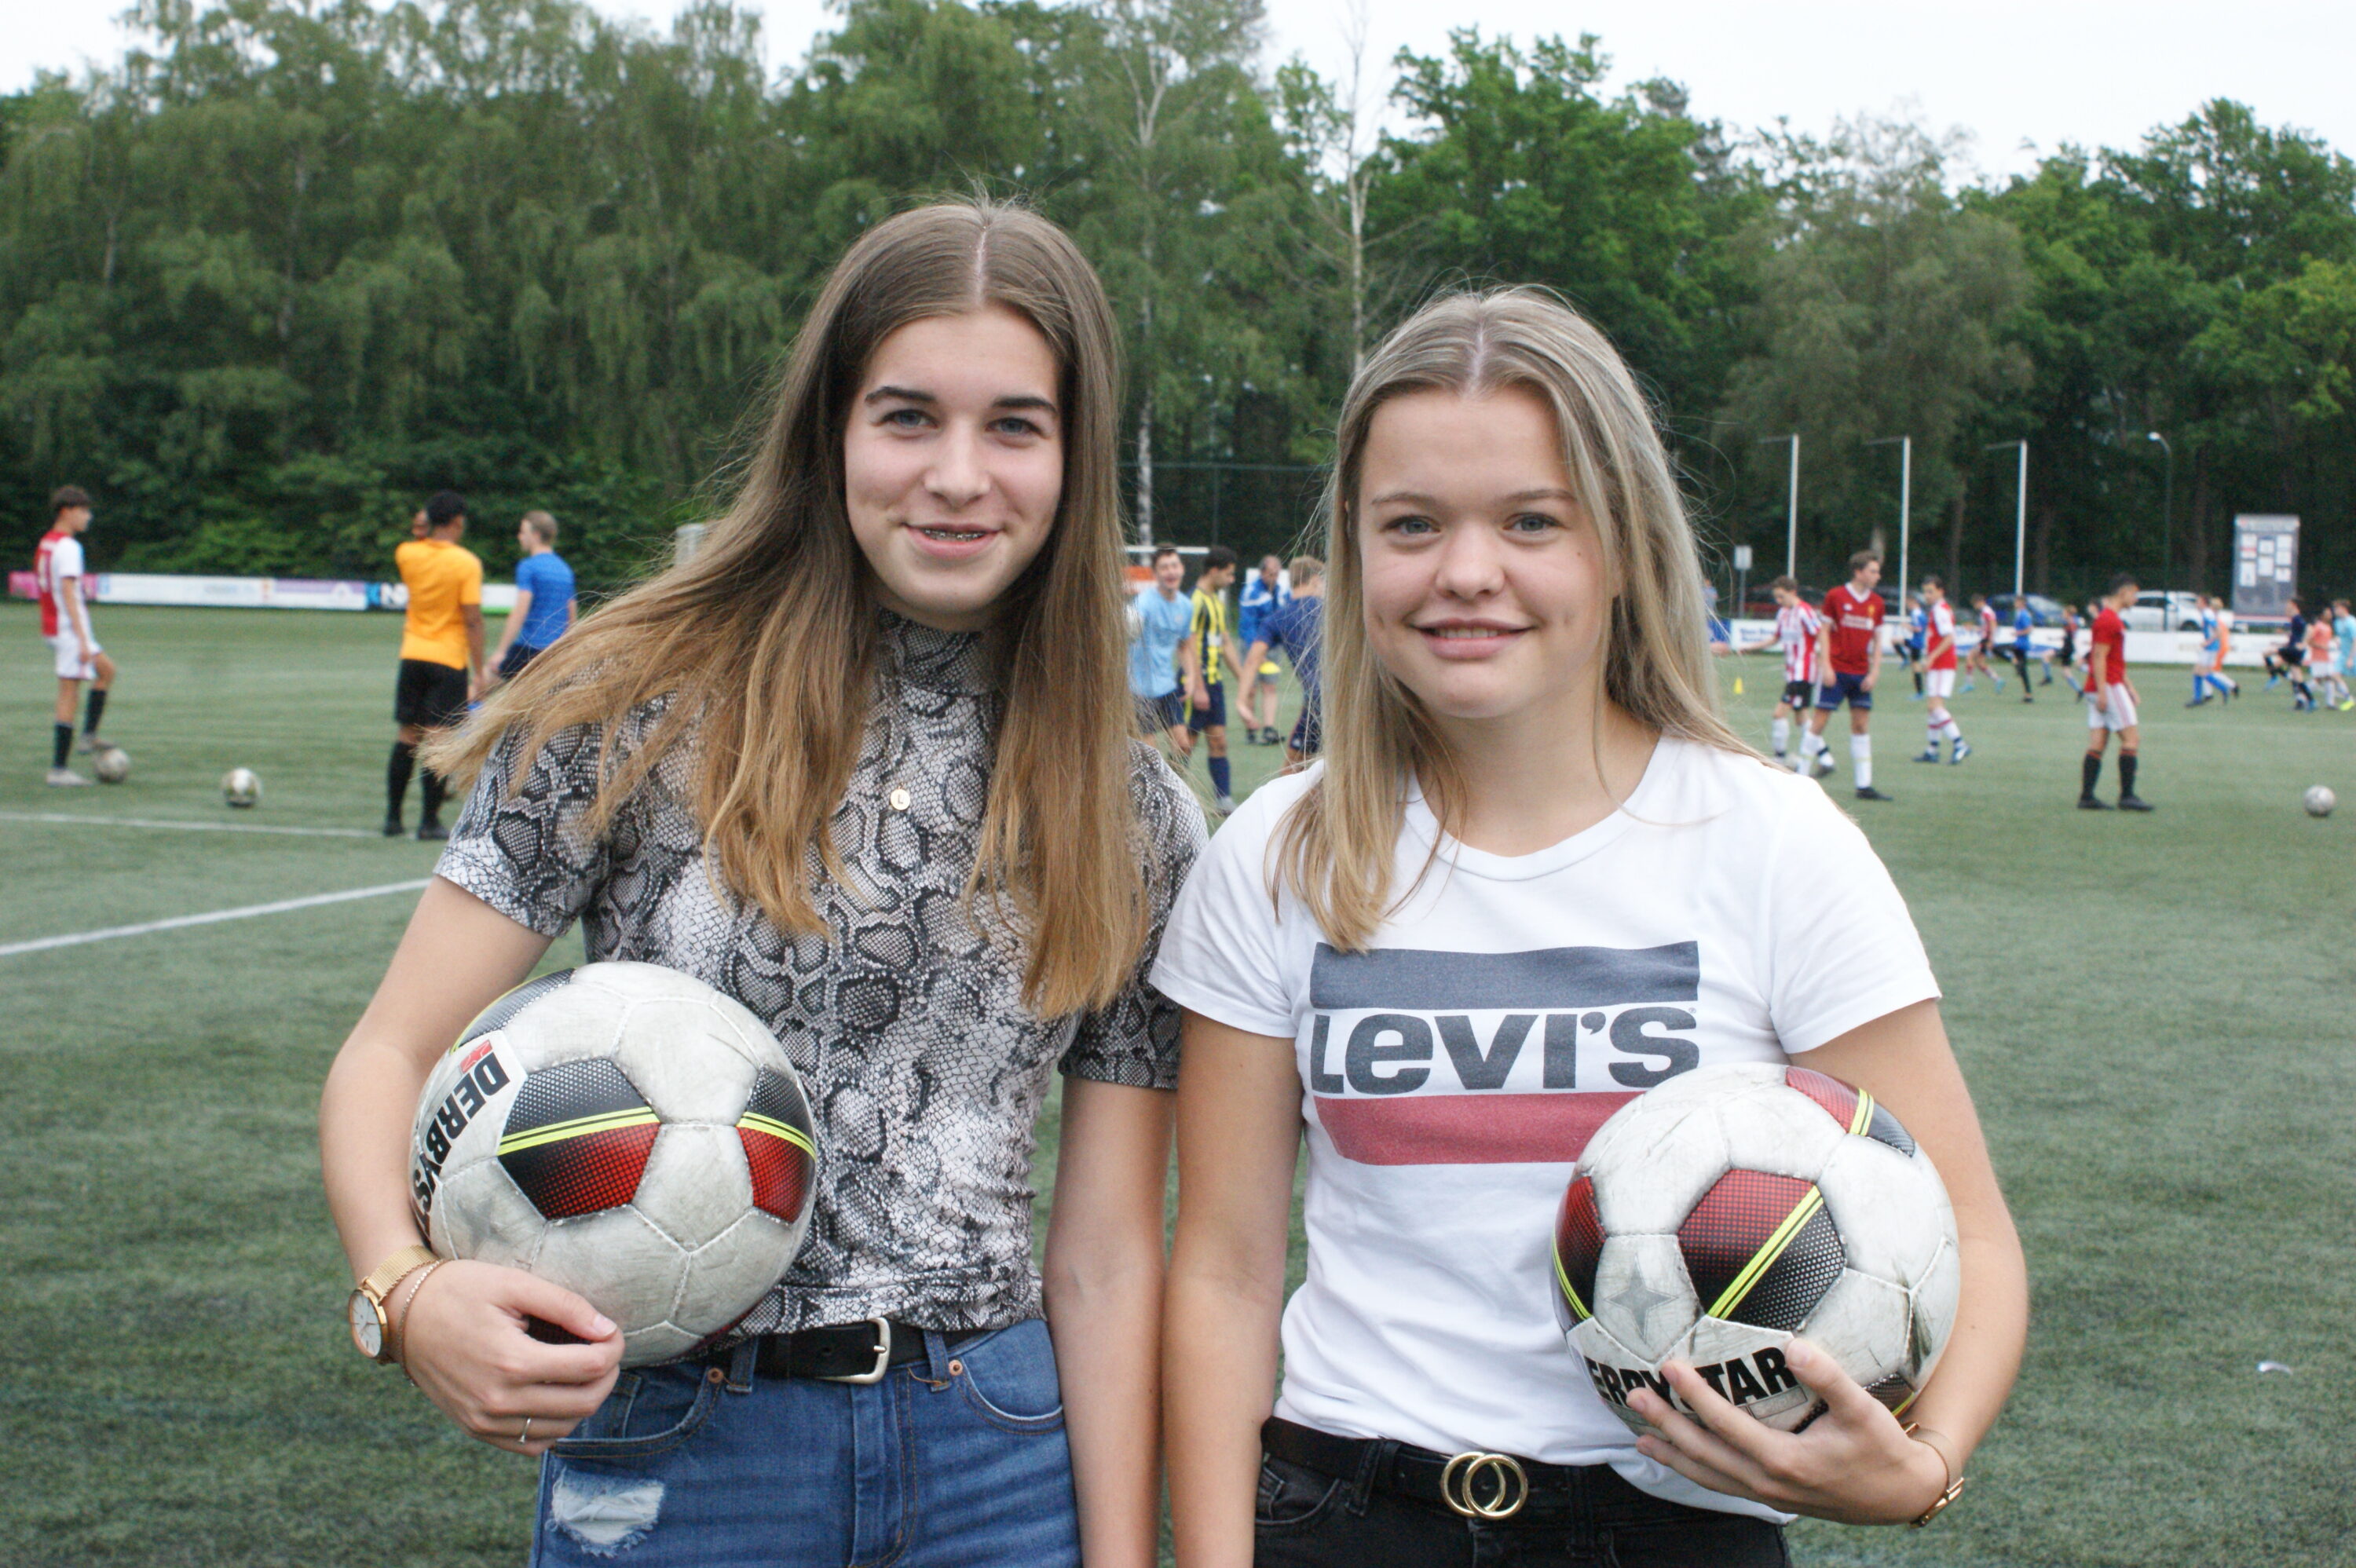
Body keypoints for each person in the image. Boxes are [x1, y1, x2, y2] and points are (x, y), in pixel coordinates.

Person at [320, 202, 1201, 1568]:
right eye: (907, 416)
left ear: (1077, 459)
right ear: (830, 431)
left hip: (1002, 1454)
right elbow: (392, 1048)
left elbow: (1104, 1253)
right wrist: (404, 1286)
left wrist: (1120, 1551)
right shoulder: (633, 708)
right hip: (677, 1443)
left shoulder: (1134, 810)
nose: (959, 474)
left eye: (1016, 425)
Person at [1156, 287, 2026, 1568]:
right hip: (1341, 1513)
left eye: (1530, 521)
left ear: (1619, 543)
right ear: (1354, 551)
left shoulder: (1774, 842)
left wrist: (1925, 1463)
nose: (1466, 570)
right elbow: (1223, 1270)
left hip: (1674, 1524)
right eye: (1412, 524)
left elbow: (1978, 1231)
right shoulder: (1277, 851)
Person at [386, 491, 485, 840]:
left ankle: (393, 818)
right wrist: (480, 668)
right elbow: (472, 619)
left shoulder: (406, 554)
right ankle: (428, 820)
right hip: (448, 657)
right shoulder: (466, 563)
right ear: (457, 521)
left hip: (412, 653)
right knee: (438, 741)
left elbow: (416, 538)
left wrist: (422, 525)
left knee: (406, 736)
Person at [33, 485, 118, 785]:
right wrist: (82, 640)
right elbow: (69, 594)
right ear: (67, 511)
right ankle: (58, 769)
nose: (88, 517)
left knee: (106, 670)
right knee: (69, 693)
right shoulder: (69, 547)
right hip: (69, 630)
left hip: (57, 626)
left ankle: (89, 737)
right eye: (84, 511)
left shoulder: (48, 542)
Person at [1796, 550, 1892, 801]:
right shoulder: (1836, 596)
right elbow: (1824, 632)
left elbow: (1878, 639)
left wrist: (1875, 671)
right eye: (1873, 571)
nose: (1877, 576)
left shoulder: (1878, 604)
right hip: (1837, 670)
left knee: (1861, 725)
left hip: (1861, 673)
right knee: (1819, 721)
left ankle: (1864, 785)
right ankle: (1800, 779)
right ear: (1858, 572)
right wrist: (1826, 665)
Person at [1176, 544, 1243, 811]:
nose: (1231, 580)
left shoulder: (1216, 600)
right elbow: (1189, 644)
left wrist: (1243, 679)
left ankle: (1223, 800)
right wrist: (1199, 687)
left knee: (1219, 741)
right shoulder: (1195, 599)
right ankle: (1167, 794)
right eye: (1228, 574)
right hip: (1194, 684)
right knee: (1186, 745)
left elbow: (1225, 641)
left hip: (1214, 684)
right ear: (1214, 571)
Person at [1244, 556, 1326, 766]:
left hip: (1319, 703)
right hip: (1342, 700)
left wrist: (1240, 701)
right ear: (1316, 580)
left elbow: (1253, 659)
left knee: (1292, 771)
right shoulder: (1334, 610)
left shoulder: (1278, 618)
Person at [2080, 573, 2151, 811]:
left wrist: (2130, 687)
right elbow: (2099, 657)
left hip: (2100, 685)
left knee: (2098, 742)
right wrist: (2104, 692)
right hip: (2107, 686)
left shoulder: (2108, 619)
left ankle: (2087, 796)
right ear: (2123, 592)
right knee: (2132, 739)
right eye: (2134, 593)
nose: (2135, 598)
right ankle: (2127, 796)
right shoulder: (2109, 620)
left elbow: (2111, 659)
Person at [487, 510, 576, 683]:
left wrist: (501, 652)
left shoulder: (529, 567)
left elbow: (521, 610)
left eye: (522, 532)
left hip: (528, 648)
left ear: (535, 535)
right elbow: (571, 615)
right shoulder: (565, 570)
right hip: (554, 653)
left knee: (481, 684)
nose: (520, 537)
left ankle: (470, 710)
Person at [1129, 544, 1194, 749]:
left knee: (1183, 745)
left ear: (1181, 569)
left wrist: (1191, 676)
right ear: (1156, 574)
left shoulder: (1185, 606)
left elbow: (1183, 645)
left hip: (1167, 686)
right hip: (1139, 690)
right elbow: (1129, 626)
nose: (1170, 572)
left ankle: (1171, 782)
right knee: (1150, 752)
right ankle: (1150, 781)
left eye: (1174, 566)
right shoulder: (1144, 603)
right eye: (1164, 567)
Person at [1914, 577, 1970, 766]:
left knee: (1935, 707)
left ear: (1941, 591)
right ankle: (1932, 750)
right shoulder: (1937, 610)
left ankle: (1960, 743)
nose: (1927, 595)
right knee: (1932, 708)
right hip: (1939, 664)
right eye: (1925, 591)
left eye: (1931, 591)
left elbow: (1949, 638)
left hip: (1943, 664)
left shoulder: (1940, 610)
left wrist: (1931, 658)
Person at [1765, 576, 1821, 762]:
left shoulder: (1805, 612)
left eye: (1781, 597)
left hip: (1803, 672)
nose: (1778, 601)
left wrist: (1826, 661)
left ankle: (1779, 759)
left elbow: (1820, 634)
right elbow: (1775, 638)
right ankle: (1826, 758)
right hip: (1792, 673)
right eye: (1776, 597)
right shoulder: (1783, 613)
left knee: (1779, 713)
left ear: (1792, 592)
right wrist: (1745, 648)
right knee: (1802, 718)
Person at [1235, 554, 1290, 745]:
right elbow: (1247, 625)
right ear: (1262, 573)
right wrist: (1256, 652)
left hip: (1273, 647)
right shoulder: (1251, 592)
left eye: (1277, 573)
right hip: (1252, 645)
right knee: (1250, 688)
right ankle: (1251, 729)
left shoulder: (1283, 592)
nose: (1274, 577)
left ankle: (1268, 729)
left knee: (1270, 686)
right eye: (1271, 573)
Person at [2306, 612, 2347, 710]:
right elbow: (2309, 641)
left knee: (2329, 678)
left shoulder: (2328, 627)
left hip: (2326, 657)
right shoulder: (2318, 626)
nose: (2330, 615)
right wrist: (2321, 646)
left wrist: (2335, 641)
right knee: (2318, 680)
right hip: (2318, 657)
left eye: (2330, 614)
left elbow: (2327, 640)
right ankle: (2301, 695)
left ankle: (2330, 703)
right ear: (2322, 615)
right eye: (2327, 614)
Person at [2005, 597, 2043, 700]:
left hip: (2022, 643)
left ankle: (2016, 664)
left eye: (2016, 602)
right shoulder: (2021, 613)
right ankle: (2028, 694)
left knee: (1999, 649)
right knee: (2023, 670)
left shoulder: (2024, 614)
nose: (2015, 604)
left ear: (2022, 603)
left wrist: (2018, 633)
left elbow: (2029, 629)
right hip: (2019, 643)